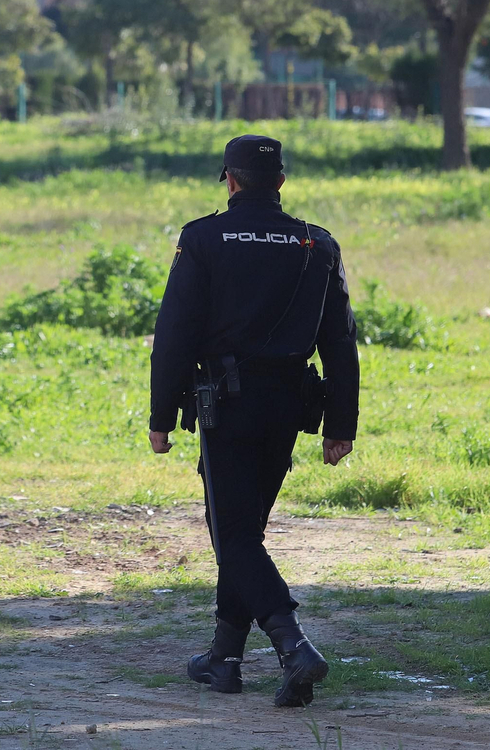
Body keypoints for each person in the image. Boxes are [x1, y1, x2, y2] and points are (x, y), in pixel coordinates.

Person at [147, 134, 360, 708]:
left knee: (233, 534)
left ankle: (292, 645)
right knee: (245, 532)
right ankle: (224, 658)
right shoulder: (318, 243)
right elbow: (340, 341)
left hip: (227, 404)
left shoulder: (204, 238)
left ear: (230, 180)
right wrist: (342, 424)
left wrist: (160, 415)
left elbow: (174, 335)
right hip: (290, 406)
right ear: (282, 183)